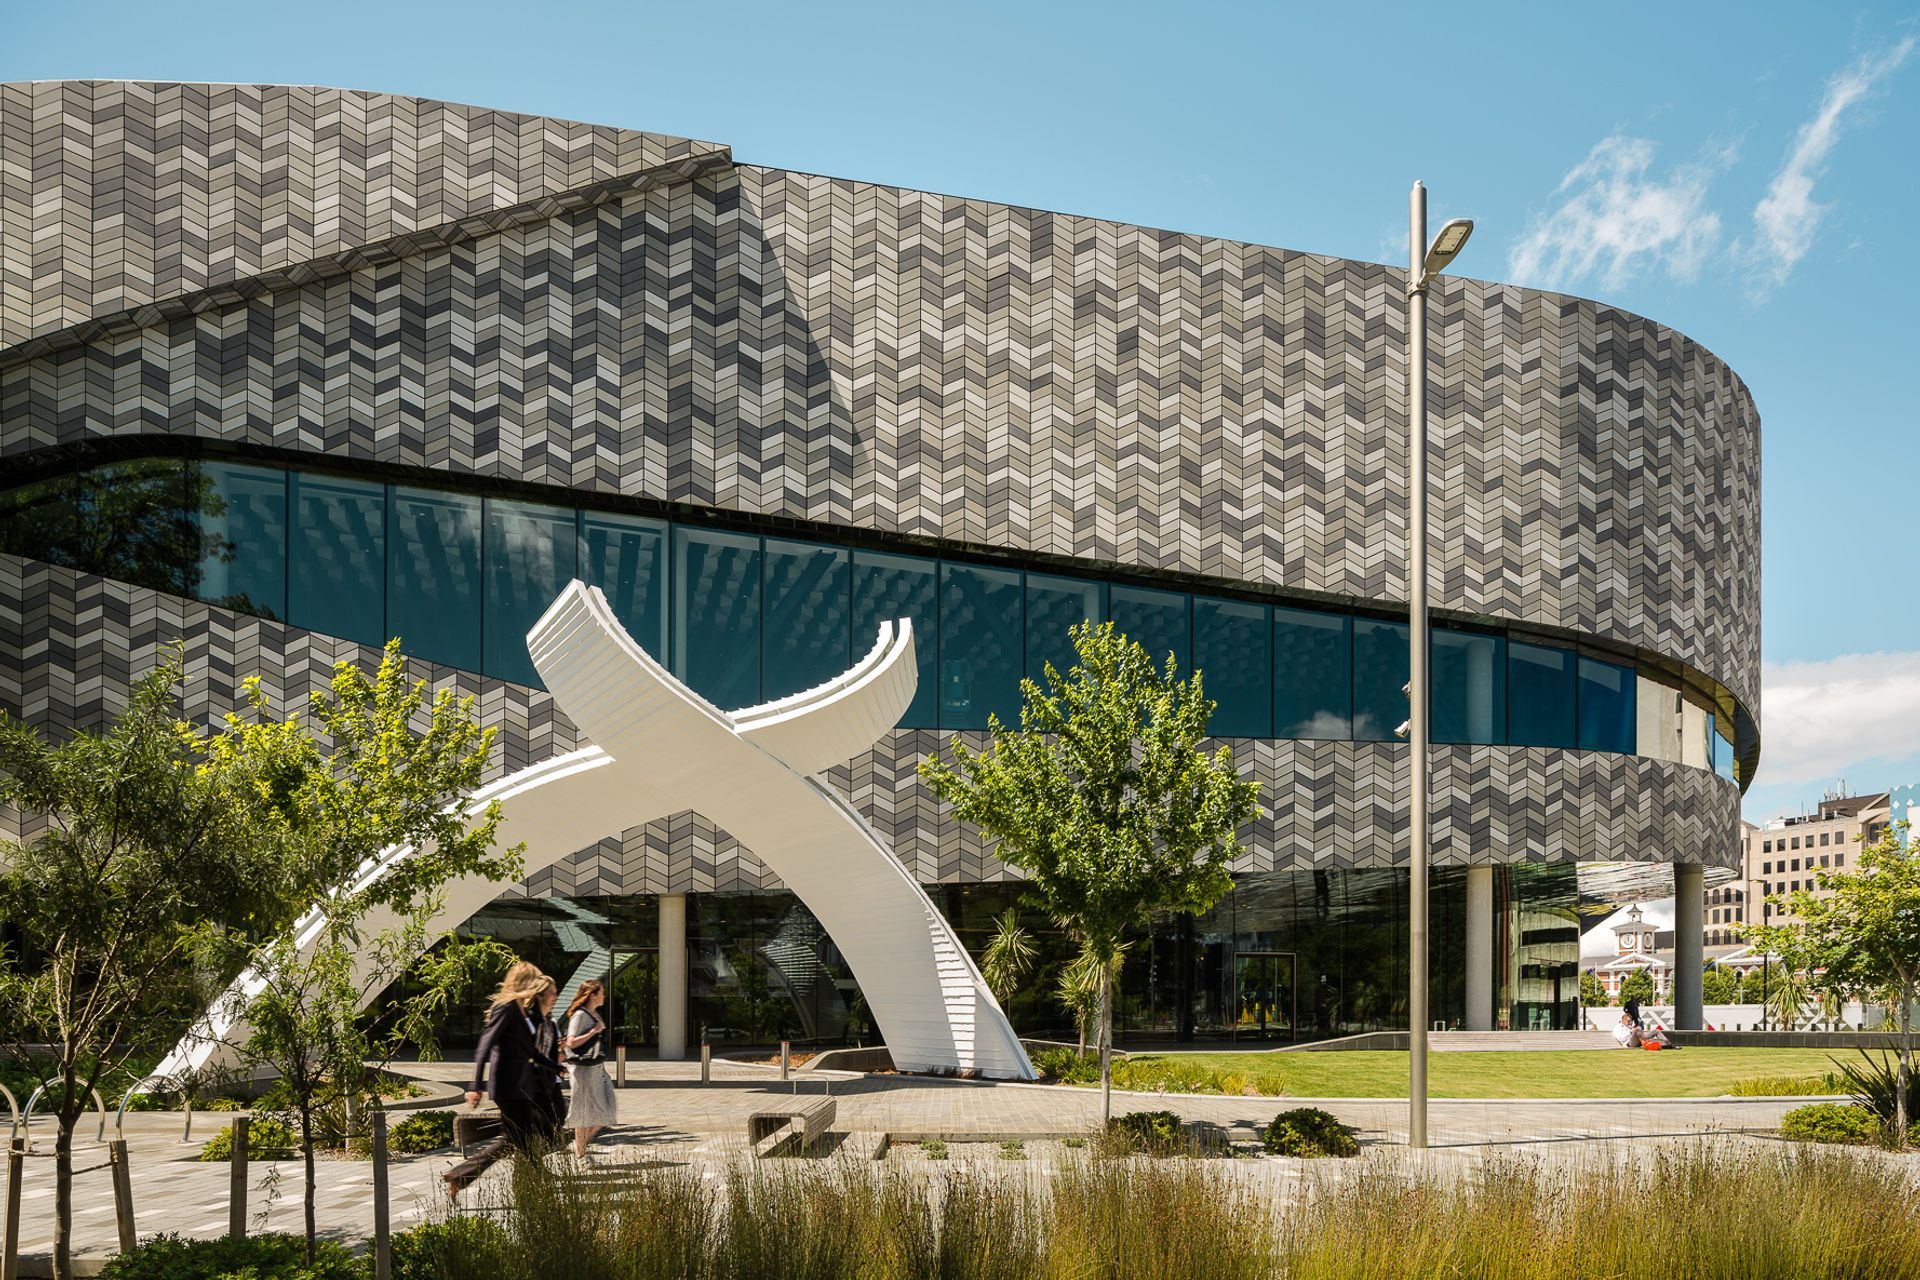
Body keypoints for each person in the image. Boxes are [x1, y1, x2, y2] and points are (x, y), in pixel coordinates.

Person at [442, 961, 563, 1197]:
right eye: (536, 979)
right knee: (522, 1137)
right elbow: (485, 1045)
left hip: (520, 1086)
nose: (539, 984)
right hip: (507, 1086)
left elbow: (531, 1052)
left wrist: (555, 1067)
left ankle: (459, 1176)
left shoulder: (521, 1010)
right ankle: (536, 1188)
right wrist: (475, 1085)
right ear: (526, 981)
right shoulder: (505, 1007)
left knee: (514, 1138)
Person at [562, 978, 616, 1157]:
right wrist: (593, 1031)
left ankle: (579, 1148)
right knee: (584, 1114)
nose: (604, 996)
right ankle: (580, 1153)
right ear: (592, 994)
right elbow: (570, 1042)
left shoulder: (594, 1014)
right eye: (601, 992)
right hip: (583, 1071)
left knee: (606, 1111)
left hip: (596, 1069)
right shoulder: (580, 1015)